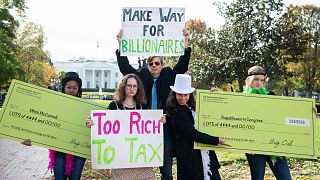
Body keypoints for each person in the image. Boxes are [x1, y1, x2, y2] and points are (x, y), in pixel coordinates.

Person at [115, 29, 191, 180]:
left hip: (165, 124)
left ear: (162, 65)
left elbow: (182, 66)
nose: (154, 65)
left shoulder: (169, 74)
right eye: (151, 63)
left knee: (166, 154)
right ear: (148, 65)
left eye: (157, 63)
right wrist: (120, 45)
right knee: (141, 155)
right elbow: (126, 69)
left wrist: (185, 42)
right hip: (144, 125)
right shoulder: (142, 75)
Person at [86, 73, 166, 180]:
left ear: (138, 88)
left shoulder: (143, 106)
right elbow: (105, 128)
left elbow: (151, 128)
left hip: (141, 160)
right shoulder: (114, 106)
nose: (132, 88)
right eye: (129, 85)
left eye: (135, 86)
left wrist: (161, 120)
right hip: (121, 160)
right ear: (123, 86)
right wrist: (93, 123)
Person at [22, 72, 86, 180]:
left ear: (78, 89)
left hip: (78, 150)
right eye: (68, 87)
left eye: (74, 88)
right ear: (63, 88)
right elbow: (43, 121)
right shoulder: (54, 105)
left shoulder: (85, 107)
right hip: (59, 149)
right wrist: (30, 137)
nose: (71, 90)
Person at [166, 74, 230, 180]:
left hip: (206, 153)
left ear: (190, 94)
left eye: (186, 95)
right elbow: (191, 133)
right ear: (174, 94)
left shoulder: (193, 105)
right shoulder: (176, 110)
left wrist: (213, 97)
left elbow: (210, 114)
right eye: (179, 95)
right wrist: (216, 140)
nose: (183, 98)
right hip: (190, 157)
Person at [243, 65, 292, 180]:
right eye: (256, 79)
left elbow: (287, 112)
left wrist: (307, 110)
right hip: (254, 148)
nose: (259, 83)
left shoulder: (271, 96)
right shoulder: (241, 100)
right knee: (257, 178)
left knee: (285, 178)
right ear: (249, 80)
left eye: (262, 80)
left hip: (274, 144)